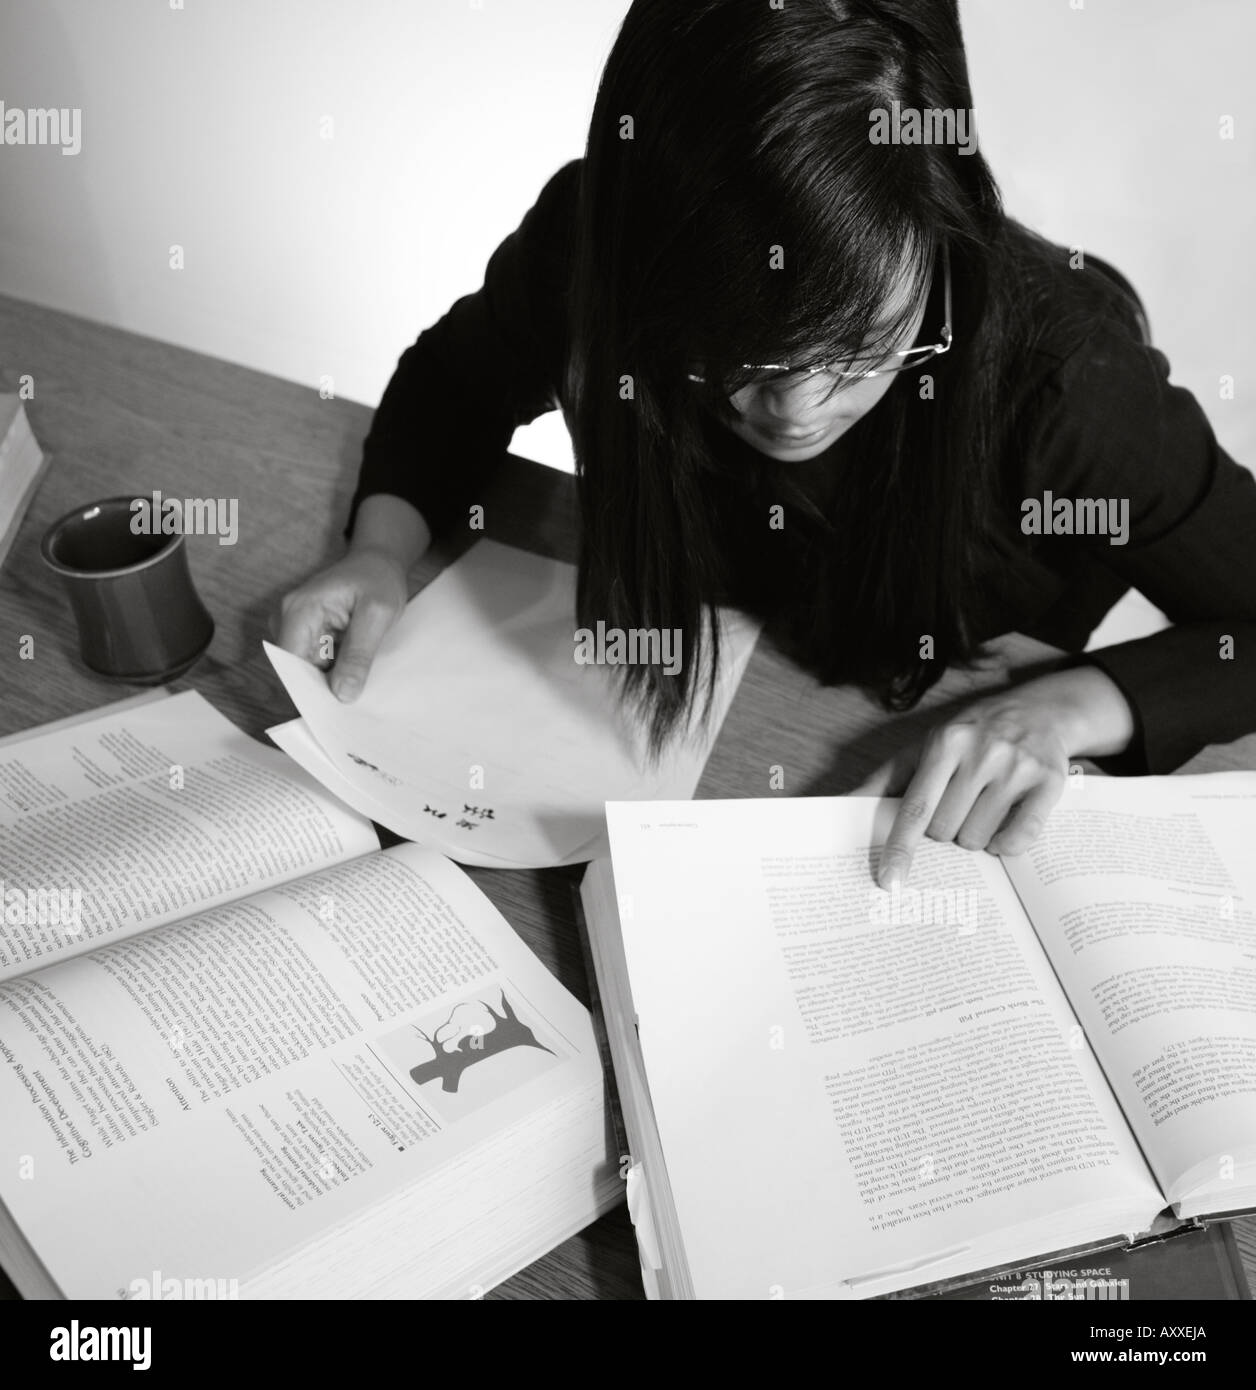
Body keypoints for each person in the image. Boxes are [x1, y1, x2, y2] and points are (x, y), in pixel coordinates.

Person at [275, 0, 1256, 887]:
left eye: (859, 348)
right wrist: (380, 550)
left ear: (939, 232)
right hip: (701, 700)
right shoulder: (596, 247)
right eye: (734, 361)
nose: (791, 411)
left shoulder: (1066, 385)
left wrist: (1070, 708)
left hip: (924, 725)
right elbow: (455, 381)